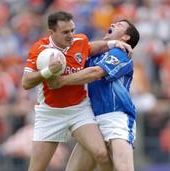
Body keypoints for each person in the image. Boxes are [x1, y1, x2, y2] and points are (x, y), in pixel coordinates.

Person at [21, 11, 132, 171]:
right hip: (50, 114)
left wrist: (112, 44)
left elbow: (89, 48)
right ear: (52, 32)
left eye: (72, 30)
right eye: (65, 32)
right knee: (36, 168)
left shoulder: (80, 40)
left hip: (79, 109)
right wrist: (48, 71)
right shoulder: (40, 49)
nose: (71, 35)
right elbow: (26, 82)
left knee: (101, 153)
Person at [49, 19, 140, 171]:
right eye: (113, 23)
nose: (112, 25)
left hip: (116, 117)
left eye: (119, 25)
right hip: (91, 119)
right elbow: (80, 51)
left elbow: (96, 73)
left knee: (123, 168)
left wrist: (61, 81)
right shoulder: (93, 55)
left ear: (126, 37)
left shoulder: (122, 52)